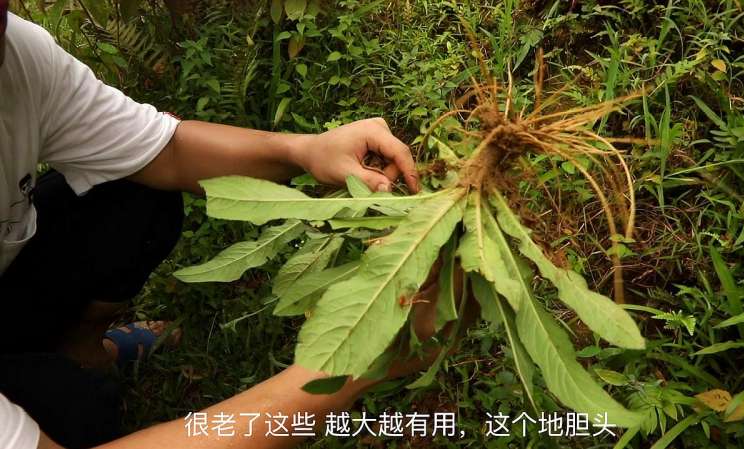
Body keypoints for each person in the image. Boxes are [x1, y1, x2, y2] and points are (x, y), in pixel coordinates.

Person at [0, 5, 443, 449]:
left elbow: (167, 151)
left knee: (130, 188)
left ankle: (83, 353)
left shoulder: (15, 53)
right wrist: (355, 362)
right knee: (80, 416)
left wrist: (305, 150)